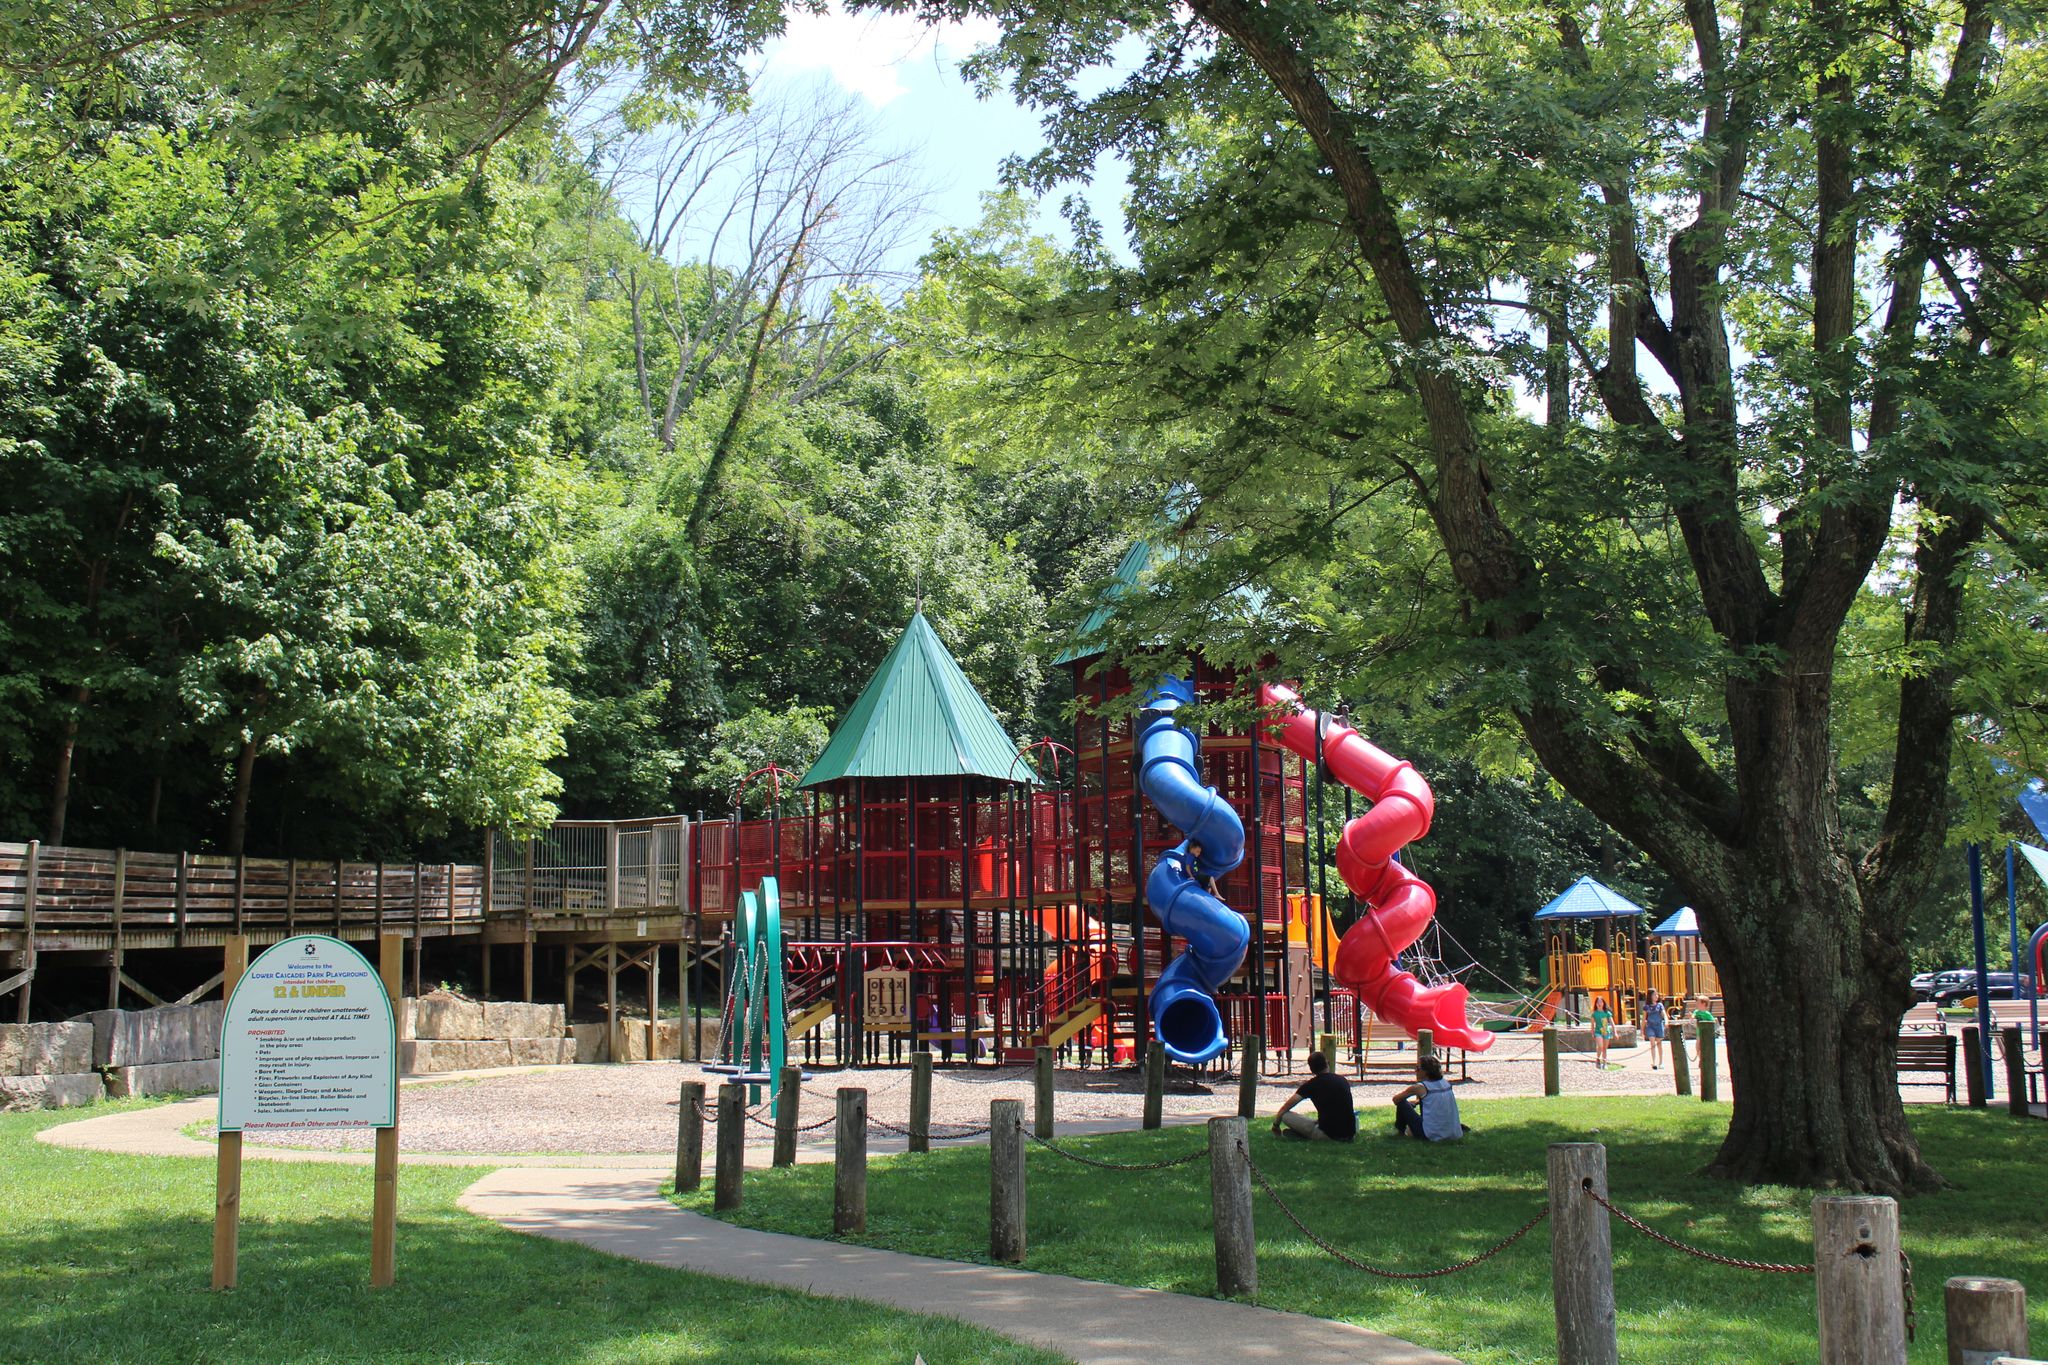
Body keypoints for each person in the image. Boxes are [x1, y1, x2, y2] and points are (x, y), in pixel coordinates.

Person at [1272, 1050, 1356, 1142]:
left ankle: (1301, 1135)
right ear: (1327, 1063)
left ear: (1311, 1070)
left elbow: (1285, 1107)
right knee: (1313, 1123)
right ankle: (1299, 1135)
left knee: (1285, 1115)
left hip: (1328, 1134)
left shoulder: (1311, 1085)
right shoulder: (1342, 1080)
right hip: (1349, 1134)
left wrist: (1276, 1125)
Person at [1391, 1055, 1465, 1141]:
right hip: (1454, 1133)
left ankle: (1401, 1132)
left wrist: (1410, 1104)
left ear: (1426, 1071)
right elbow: (1434, 1099)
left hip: (1430, 1135)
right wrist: (1417, 1102)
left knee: (1402, 1103)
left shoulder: (1420, 1087)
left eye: (1418, 1068)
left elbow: (1396, 1099)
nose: (1415, 1071)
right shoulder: (1446, 1084)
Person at [1642, 989, 1667, 1070]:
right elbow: (1643, 1019)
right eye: (1654, 995)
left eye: (1657, 994)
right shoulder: (1646, 1007)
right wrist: (1642, 1030)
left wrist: (1666, 1021)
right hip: (1650, 1026)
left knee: (1659, 1044)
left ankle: (1661, 1062)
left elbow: (1664, 1014)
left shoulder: (1660, 1005)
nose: (1656, 996)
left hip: (1659, 1026)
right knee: (1652, 1043)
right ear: (1650, 996)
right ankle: (1654, 1062)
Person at [1590, 994, 1614, 1068]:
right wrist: (1592, 1032)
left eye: (1601, 1002)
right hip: (1598, 1032)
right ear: (1596, 1004)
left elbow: (1612, 1023)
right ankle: (1598, 1058)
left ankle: (1604, 1062)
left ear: (1603, 1003)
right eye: (1598, 1002)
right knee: (1600, 1046)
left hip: (1606, 1032)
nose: (1599, 1004)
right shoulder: (1594, 1014)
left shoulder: (1607, 1013)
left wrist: (1615, 1032)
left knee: (1604, 1048)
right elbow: (1592, 1025)